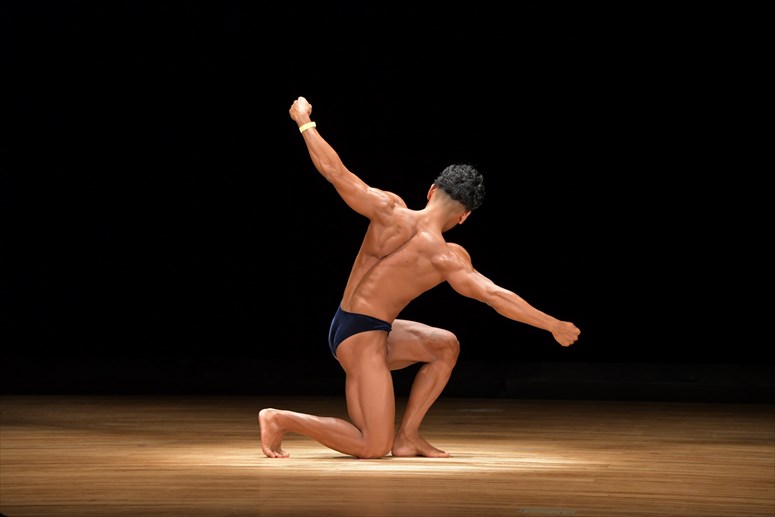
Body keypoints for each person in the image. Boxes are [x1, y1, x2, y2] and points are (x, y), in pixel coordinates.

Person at [258, 96, 580, 460]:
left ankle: (408, 436)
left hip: (355, 324)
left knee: (445, 345)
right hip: (362, 340)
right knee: (372, 446)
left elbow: (335, 171)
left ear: (431, 191)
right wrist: (552, 325)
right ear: (465, 217)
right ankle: (280, 419)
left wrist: (304, 121)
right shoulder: (448, 259)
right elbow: (496, 296)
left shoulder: (388, 209)